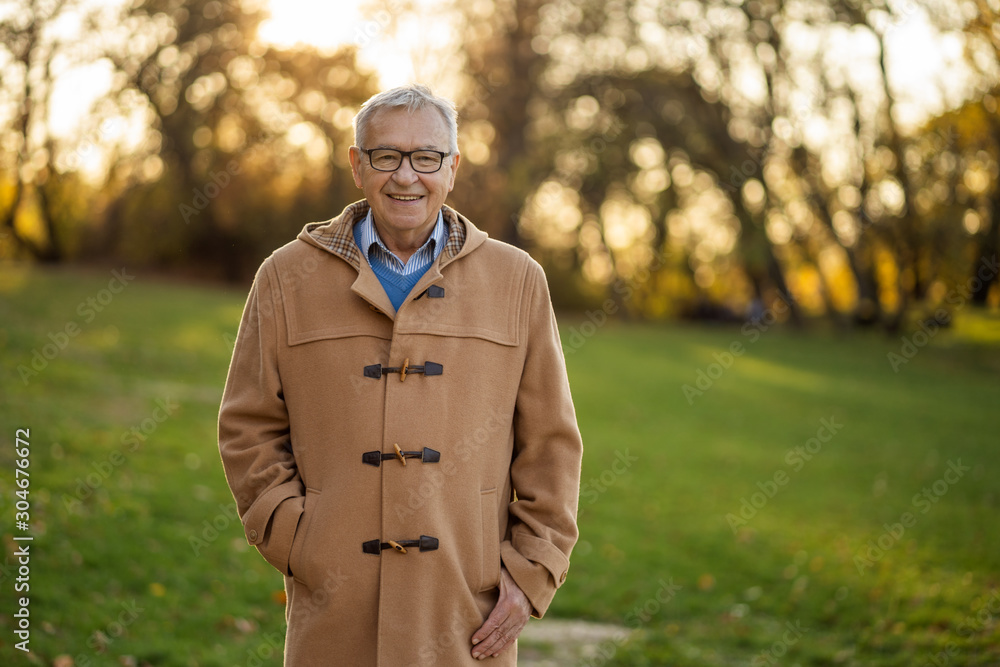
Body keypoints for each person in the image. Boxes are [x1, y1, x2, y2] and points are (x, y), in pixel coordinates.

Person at [218, 84, 583, 666]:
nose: (406, 176)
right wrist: (298, 539)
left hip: (468, 606)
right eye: (386, 156)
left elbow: (551, 444)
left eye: (426, 158)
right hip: (332, 603)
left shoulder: (517, 281)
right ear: (358, 166)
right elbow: (247, 425)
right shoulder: (285, 278)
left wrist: (533, 570)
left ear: (453, 167)